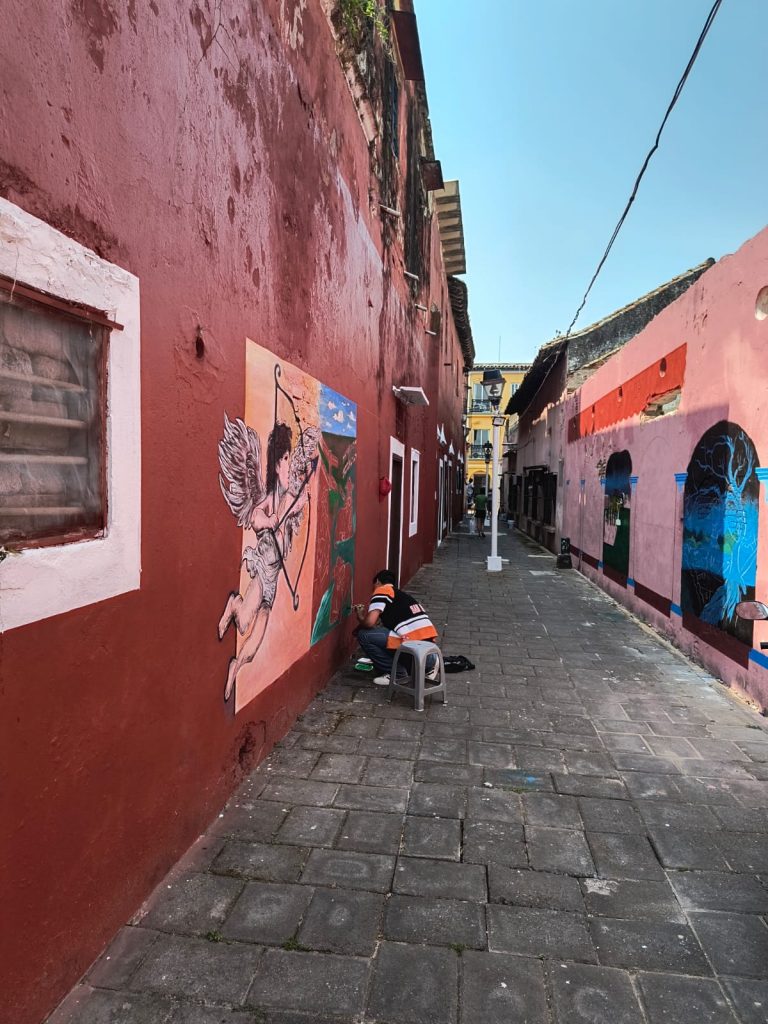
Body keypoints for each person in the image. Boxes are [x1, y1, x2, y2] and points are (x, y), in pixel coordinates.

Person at [354, 569, 439, 686]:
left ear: (377, 582)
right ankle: (427, 666)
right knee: (383, 635)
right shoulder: (401, 596)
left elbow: (369, 623)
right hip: (429, 652)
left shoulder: (382, 590)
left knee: (364, 635)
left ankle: (397, 674)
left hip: (417, 652)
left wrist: (359, 615)